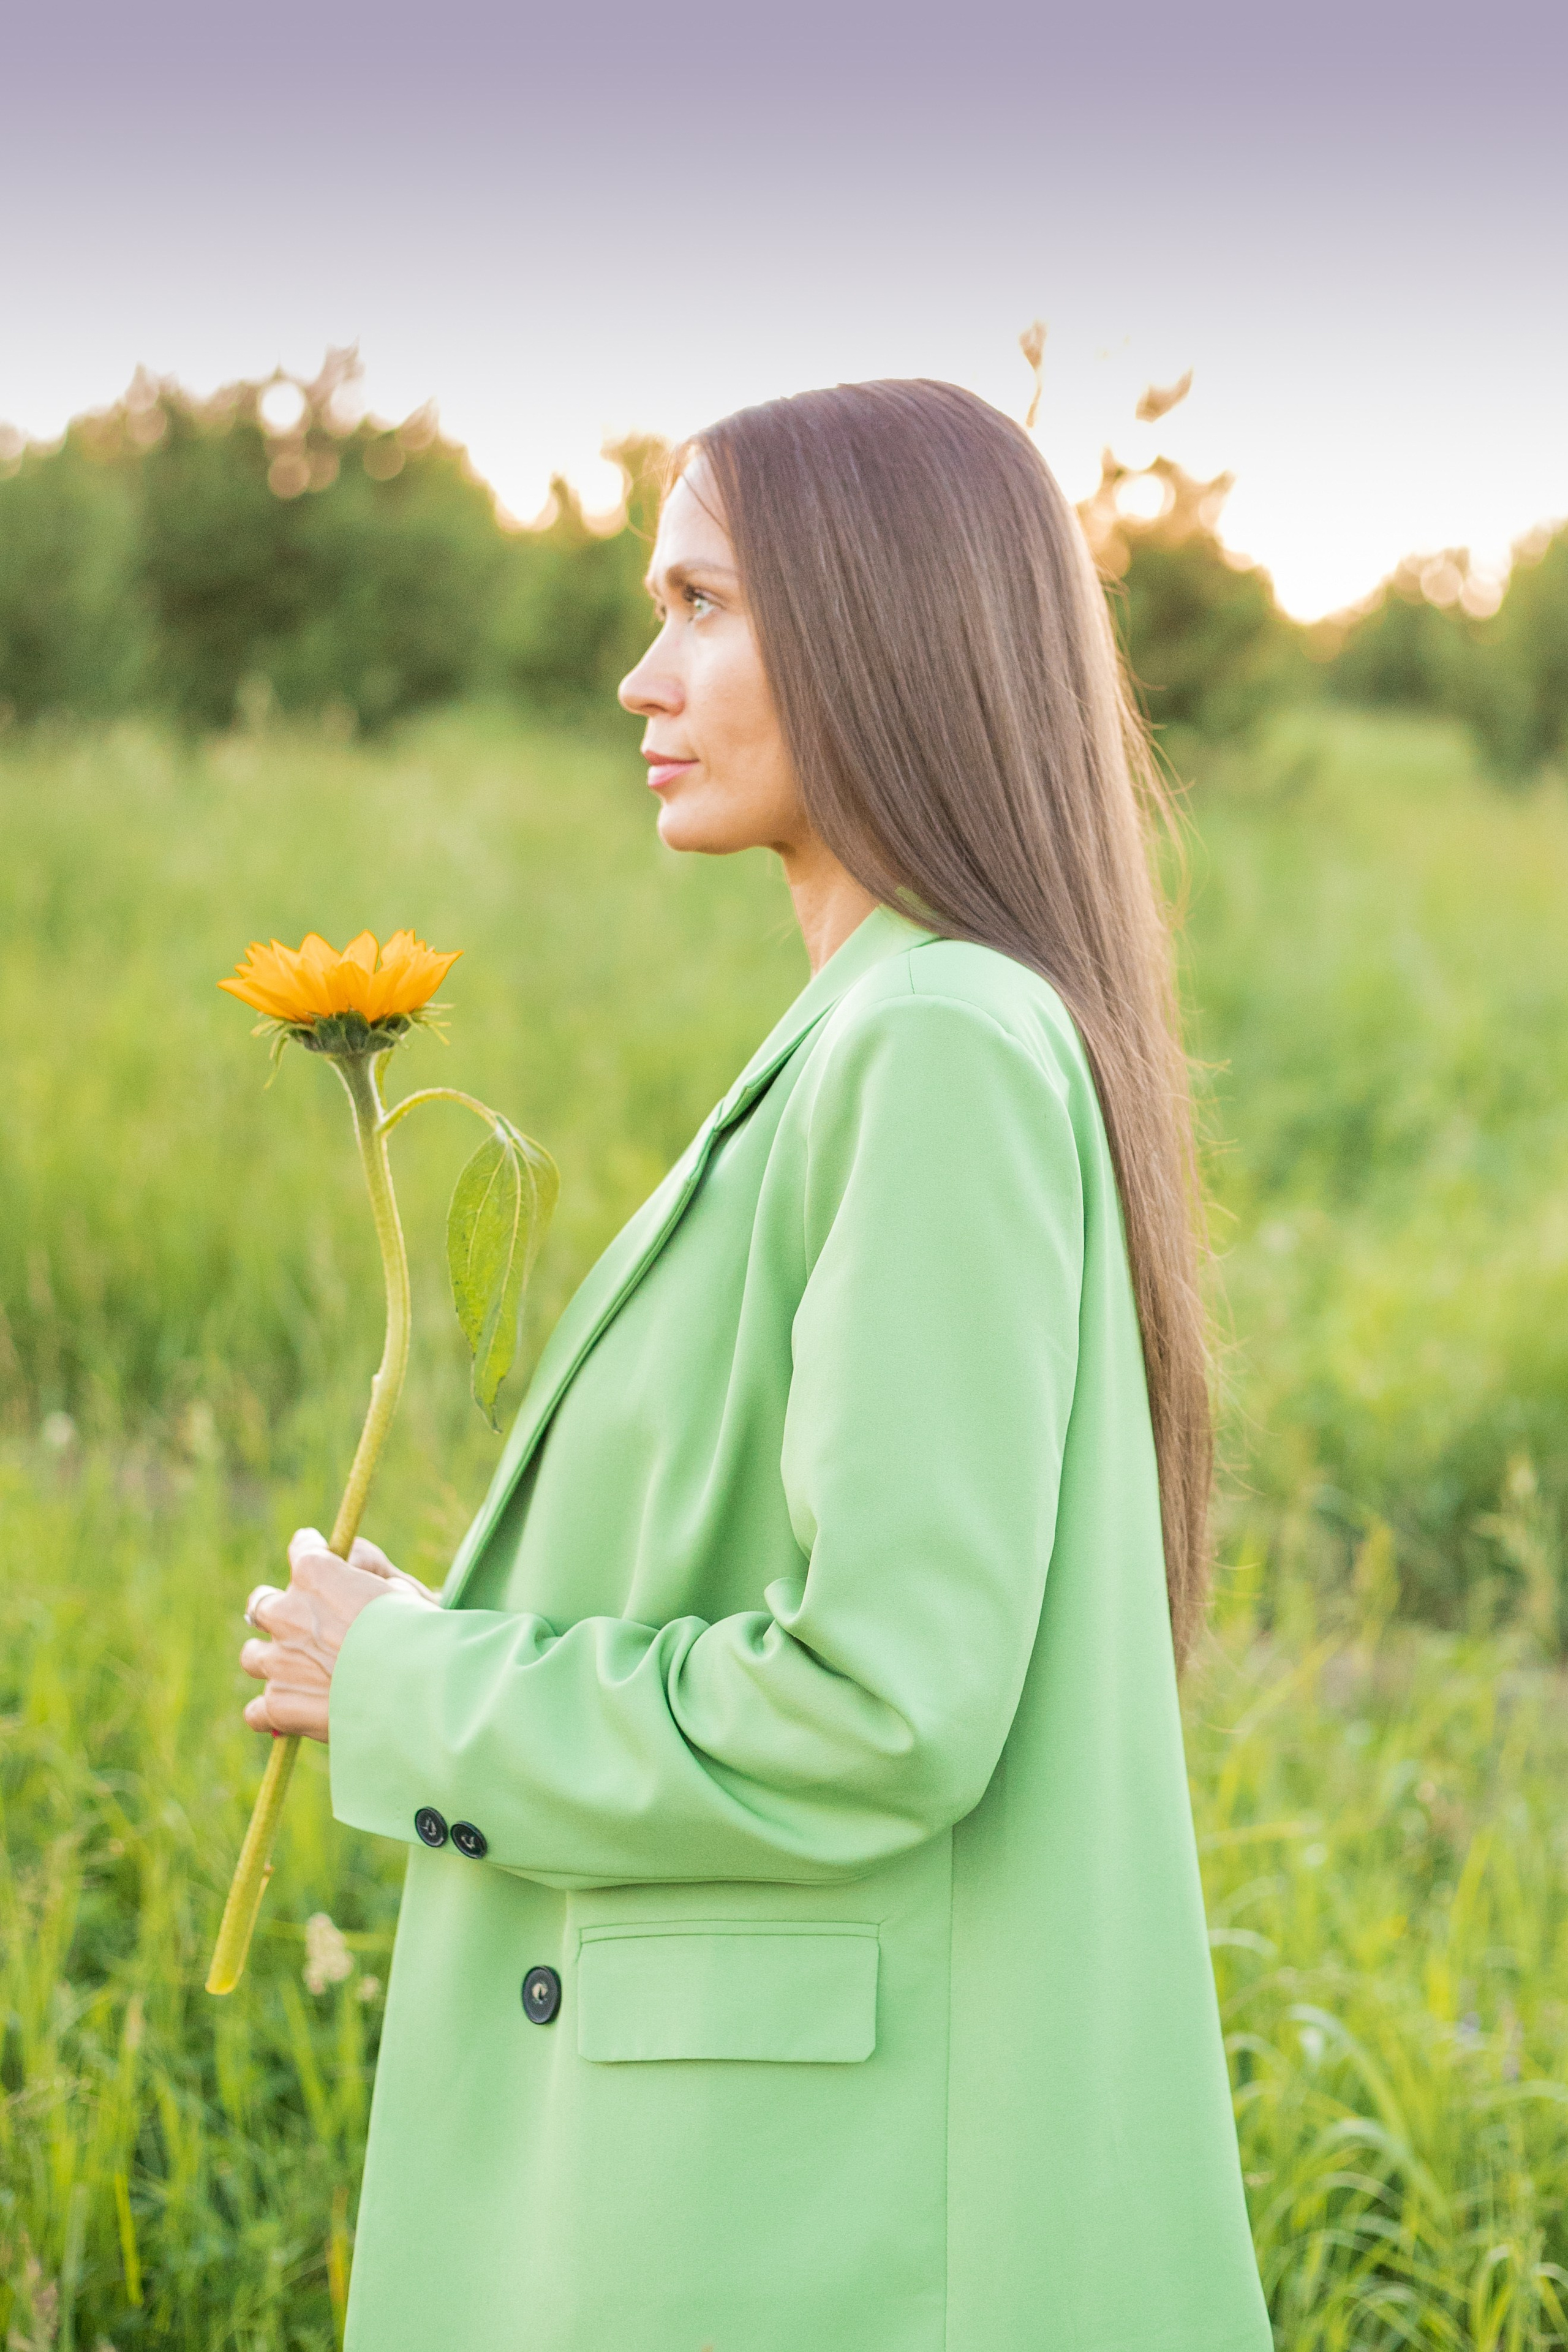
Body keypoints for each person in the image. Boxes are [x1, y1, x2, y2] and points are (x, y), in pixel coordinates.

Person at [238, 379, 1272, 2351]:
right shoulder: (894, 1024)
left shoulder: (938, 1045)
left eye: (701, 604)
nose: (641, 674)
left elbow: (887, 1700)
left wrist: (420, 1682)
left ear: (882, 623)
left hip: (808, 2231)